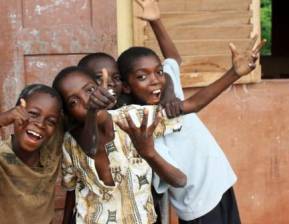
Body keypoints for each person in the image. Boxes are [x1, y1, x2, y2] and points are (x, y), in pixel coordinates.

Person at [117, 1, 266, 223]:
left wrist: (156, 21)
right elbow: (194, 104)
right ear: (126, 86)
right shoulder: (143, 122)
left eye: (157, 72)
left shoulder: (167, 90)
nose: (155, 80)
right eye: (142, 76)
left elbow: (172, 60)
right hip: (199, 206)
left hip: (220, 185)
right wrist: (233, 74)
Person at [52, 66, 187, 224]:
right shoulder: (70, 143)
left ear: (101, 89)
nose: (87, 102)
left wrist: (149, 153)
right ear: (68, 113)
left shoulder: (133, 118)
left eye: (90, 90)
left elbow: (180, 181)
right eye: (74, 102)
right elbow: (72, 189)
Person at [0, 84, 63, 224]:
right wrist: (2, 118)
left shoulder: (52, 153)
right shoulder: (2, 156)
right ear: (17, 111)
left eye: (51, 121)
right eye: (33, 114)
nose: (40, 124)